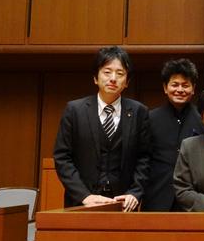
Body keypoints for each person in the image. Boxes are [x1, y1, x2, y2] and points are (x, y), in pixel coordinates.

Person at [53, 46, 150, 211]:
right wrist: (84, 196)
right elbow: (62, 158)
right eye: (107, 72)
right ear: (95, 78)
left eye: (120, 74)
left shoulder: (139, 112)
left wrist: (134, 193)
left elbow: (145, 158)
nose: (113, 78)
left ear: (127, 82)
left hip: (124, 204)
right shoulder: (75, 110)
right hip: (82, 203)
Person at [144, 58, 204, 211]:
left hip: (194, 196)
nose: (180, 89)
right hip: (156, 195)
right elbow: (143, 158)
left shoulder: (202, 119)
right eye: (174, 84)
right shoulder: (150, 118)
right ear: (165, 87)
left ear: (193, 88)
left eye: (185, 85)